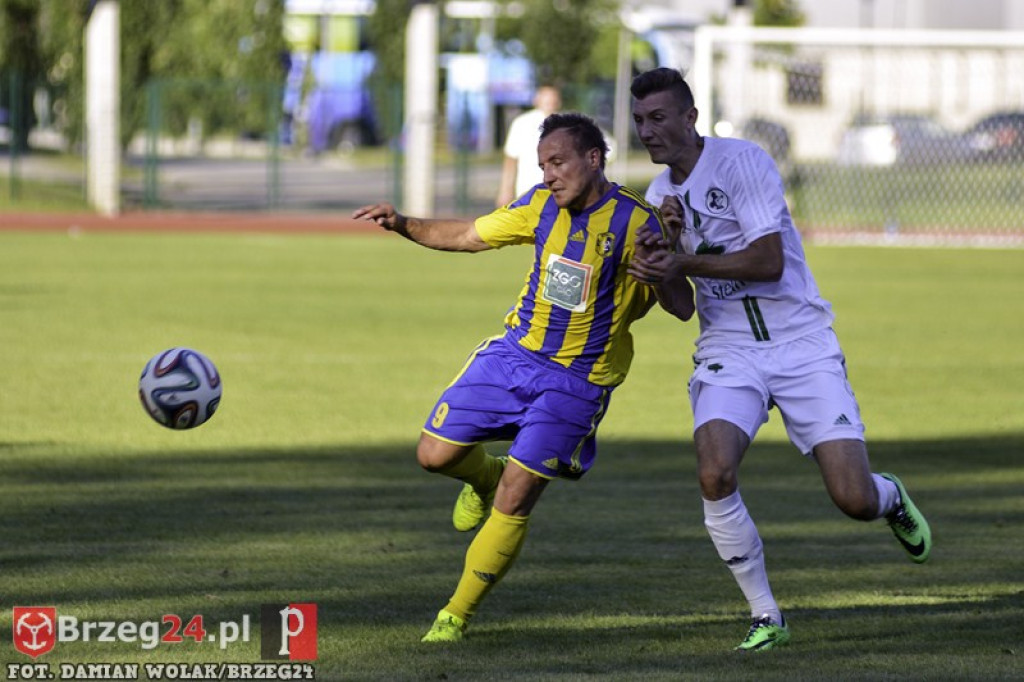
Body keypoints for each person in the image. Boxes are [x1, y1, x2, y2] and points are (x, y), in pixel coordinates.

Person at [353, 112, 691, 643]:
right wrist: (402, 223)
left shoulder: (636, 221)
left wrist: (661, 268)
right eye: (543, 165)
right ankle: (482, 477)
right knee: (432, 455)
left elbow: (681, 306)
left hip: (579, 381)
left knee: (518, 494)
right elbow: (467, 234)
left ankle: (454, 615)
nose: (549, 174)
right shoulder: (537, 206)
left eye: (558, 163)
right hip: (514, 357)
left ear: (593, 159)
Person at [627, 67, 932, 652]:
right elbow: (682, 309)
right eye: (640, 120)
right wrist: (657, 263)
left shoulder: (743, 163)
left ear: (690, 117)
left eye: (659, 117)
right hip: (729, 349)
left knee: (853, 499)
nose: (648, 130)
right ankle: (766, 615)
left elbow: (767, 262)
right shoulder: (659, 197)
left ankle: (888, 495)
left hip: (801, 343)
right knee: (714, 470)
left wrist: (683, 262)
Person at [495, 85, 562, 207]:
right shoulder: (522, 123)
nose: (549, 104)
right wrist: (505, 190)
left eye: (552, 101)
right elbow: (511, 159)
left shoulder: (566, 125)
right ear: (537, 101)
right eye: (546, 100)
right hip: (528, 191)